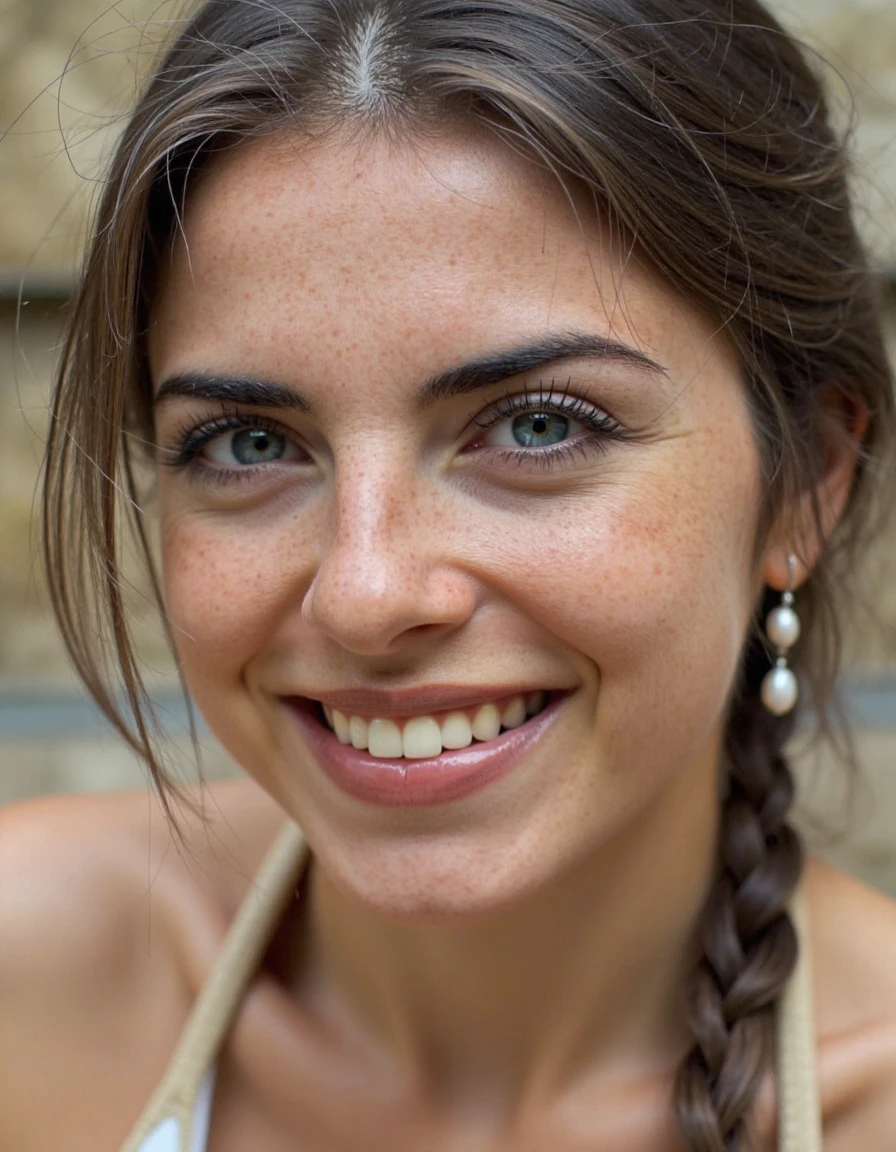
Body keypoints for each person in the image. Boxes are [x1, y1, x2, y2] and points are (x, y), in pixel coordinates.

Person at [2, 0, 895, 1147]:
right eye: (250, 444)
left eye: (534, 427)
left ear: (803, 483)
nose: (365, 594)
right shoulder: (33, 976)